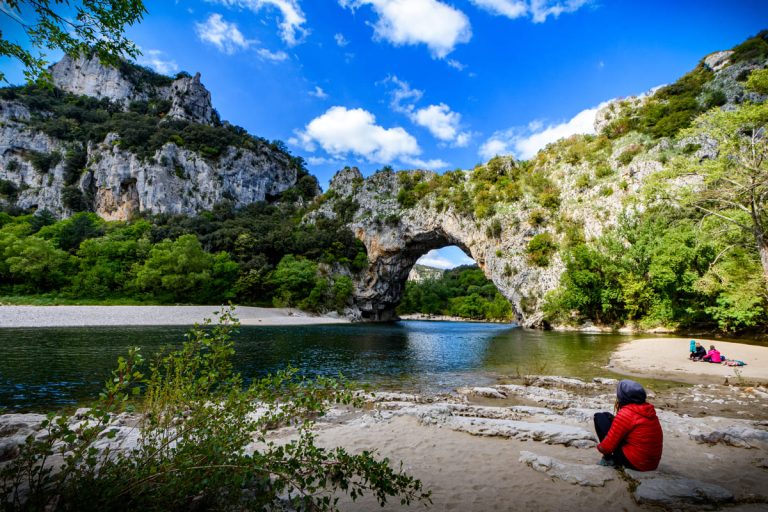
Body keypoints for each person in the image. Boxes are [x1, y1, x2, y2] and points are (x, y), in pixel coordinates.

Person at [593, 380, 663, 471]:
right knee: (606, 416)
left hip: (636, 463)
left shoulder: (626, 413)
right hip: (651, 464)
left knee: (599, 417)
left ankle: (608, 459)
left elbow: (607, 447)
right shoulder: (648, 409)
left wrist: (600, 447)